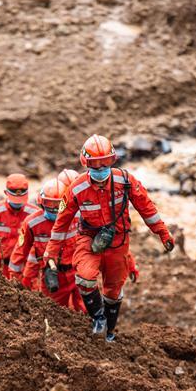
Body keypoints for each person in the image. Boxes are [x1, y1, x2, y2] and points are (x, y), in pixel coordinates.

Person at [44, 135, 175, 342]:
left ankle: (110, 334)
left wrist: (162, 232)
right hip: (88, 239)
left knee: (114, 291)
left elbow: (146, 207)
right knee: (84, 278)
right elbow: (61, 223)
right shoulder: (77, 189)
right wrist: (51, 253)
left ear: (113, 160)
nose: (101, 168)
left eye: (105, 163)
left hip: (119, 243)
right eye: (95, 165)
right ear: (86, 164)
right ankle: (98, 318)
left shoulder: (125, 181)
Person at [10, 178, 85, 311]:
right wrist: (14, 280)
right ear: (42, 203)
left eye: (58, 205)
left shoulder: (78, 216)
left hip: (79, 271)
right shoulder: (32, 223)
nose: (55, 209)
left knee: (87, 312)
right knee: (53, 313)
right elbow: (20, 252)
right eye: (50, 204)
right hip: (53, 275)